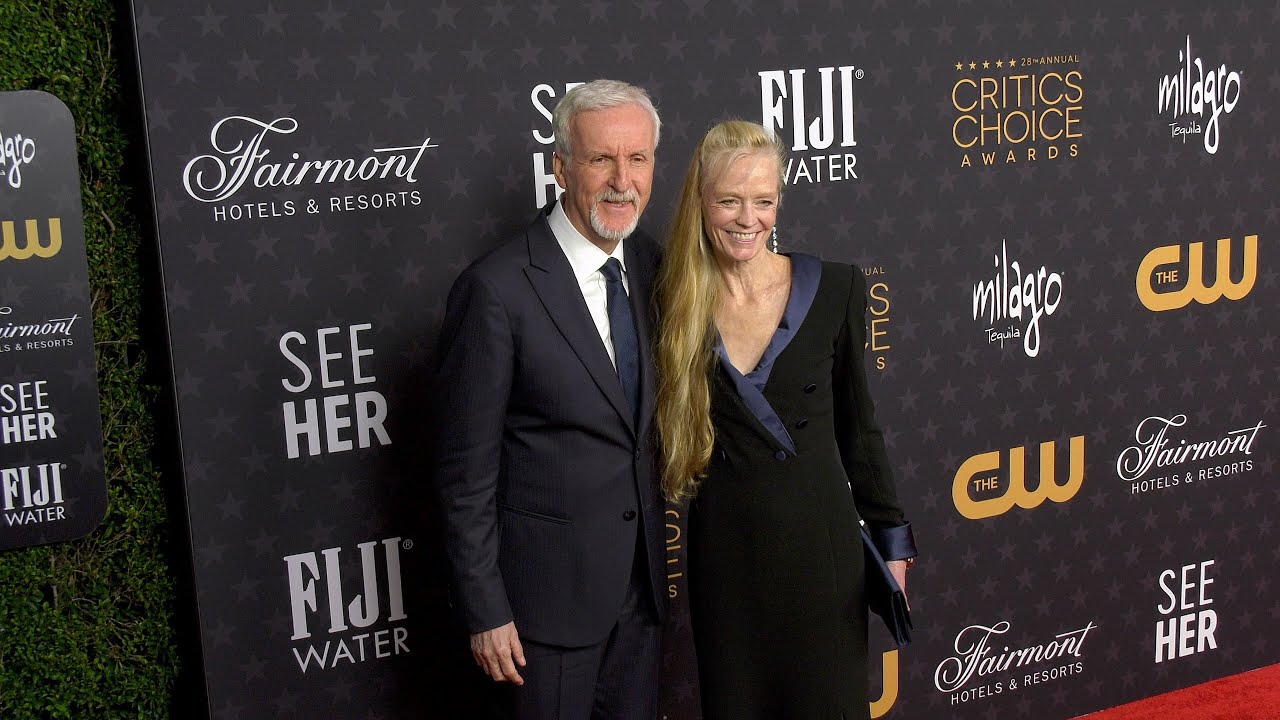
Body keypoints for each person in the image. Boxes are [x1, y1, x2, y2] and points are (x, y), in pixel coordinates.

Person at [655, 120, 917, 720]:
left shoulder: (835, 288)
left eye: (763, 201)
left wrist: (892, 542)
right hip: (727, 558)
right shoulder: (670, 301)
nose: (747, 219)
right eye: (728, 200)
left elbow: (861, 429)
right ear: (699, 200)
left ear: (779, 202)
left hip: (821, 554)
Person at [433, 80, 666, 719]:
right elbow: (464, 474)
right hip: (538, 621)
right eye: (601, 160)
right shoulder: (496, 289)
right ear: (560, 166)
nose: (623, 180)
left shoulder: (652, 266)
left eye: (638, 159)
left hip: (640, 601)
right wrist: (486, 611)